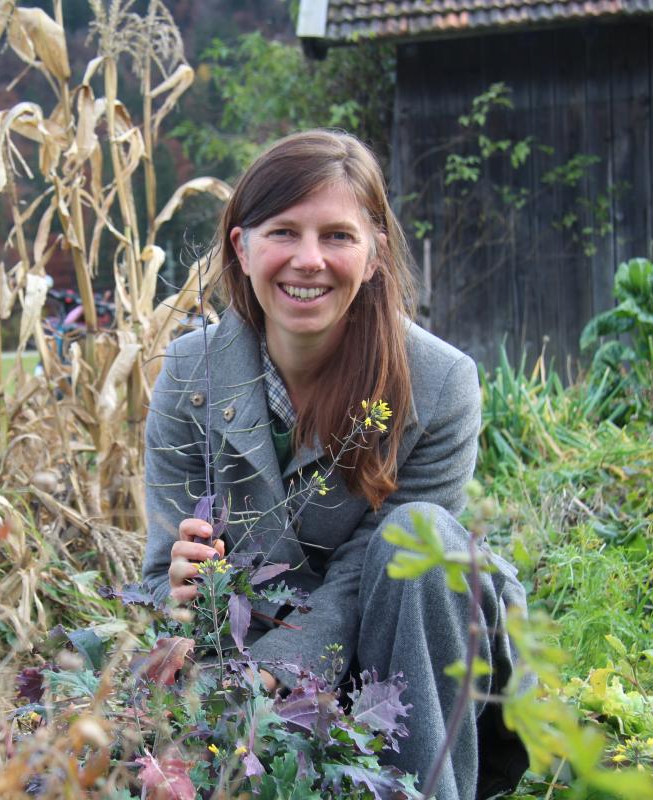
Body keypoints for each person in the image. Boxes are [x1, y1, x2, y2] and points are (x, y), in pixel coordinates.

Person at [141, 130, 529, 800]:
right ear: (242, 246)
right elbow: (157, 579)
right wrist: (177, 591)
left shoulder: (439, 384)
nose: (309, 260)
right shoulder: (190, 371)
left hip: (404, 658)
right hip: (248, 673)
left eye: (338, 236)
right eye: (284, 231)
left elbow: (378, 581)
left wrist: (268, 673)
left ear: (375, 252)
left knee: (424, 540)